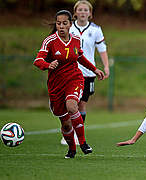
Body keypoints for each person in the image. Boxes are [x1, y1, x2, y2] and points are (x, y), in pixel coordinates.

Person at [33, 10, 105, 158]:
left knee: (72, 106)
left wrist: (94, 69)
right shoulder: (50, 41)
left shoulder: (76, 39)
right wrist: (48, 65)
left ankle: (83, 143)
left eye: (64, 23)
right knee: (66, 124)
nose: (61, 26)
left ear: (70, 24)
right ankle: (72, 149)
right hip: (56, 86)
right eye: (58, 23)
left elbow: (80, 57)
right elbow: (38, 60)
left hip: (74, 79)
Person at [61, 0, 110, 145]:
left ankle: (76, 134)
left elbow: (102, 49)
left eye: (85, 10)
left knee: (81, 105)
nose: (83, 12)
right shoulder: (69, 29)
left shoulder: (95, 30)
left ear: (90, 13)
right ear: (75, 13)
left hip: (88, 74)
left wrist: (106, 66)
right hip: (69, 72)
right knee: (69, 103)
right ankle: (67, 131)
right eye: (80, 10)